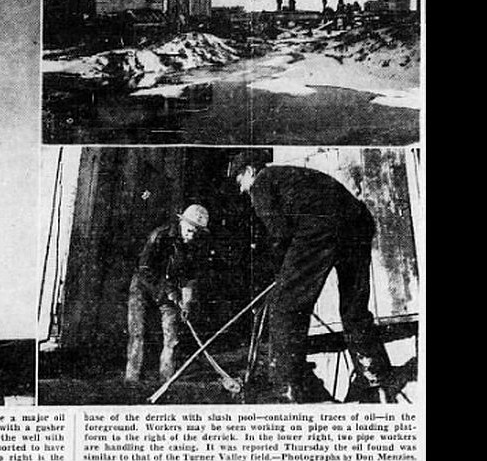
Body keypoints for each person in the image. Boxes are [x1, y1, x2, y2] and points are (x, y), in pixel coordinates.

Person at [228, 153, 396, 403]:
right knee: (354, 308)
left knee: (285, 306)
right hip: (358, 222)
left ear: (251, 171)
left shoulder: (262, 182)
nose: (242, 189)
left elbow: (279, 234)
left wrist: (280, 274)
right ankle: (375, 379)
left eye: (240, 179)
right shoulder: (291, 175)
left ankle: (289, 387)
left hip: (319, 228)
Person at [125, 204, 212, 385]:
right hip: (143, 286)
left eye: (196, 233)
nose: (191, 236)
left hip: (169, 292)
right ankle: (132, 380)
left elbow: (189, 277)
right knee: (138, 333)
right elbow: (145, 269)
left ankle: (167, 380)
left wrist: (186, 303)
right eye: (189, 230)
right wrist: (168, 291)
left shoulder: (195, 245)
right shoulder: (161, 236)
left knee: (172, 337)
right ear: (181, 222)